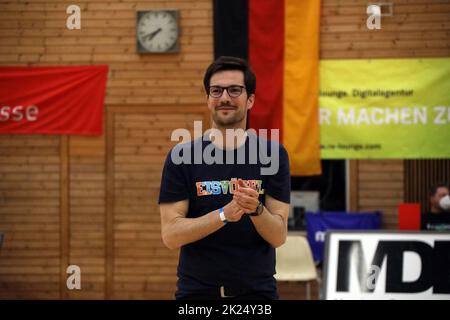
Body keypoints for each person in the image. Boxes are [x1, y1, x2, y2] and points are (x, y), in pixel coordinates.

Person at [158, 56, 291, 300]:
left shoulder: (274, 155)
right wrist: (223, 215)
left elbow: (278, 237)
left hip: (256, 295)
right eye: (216, 91)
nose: (225, 98)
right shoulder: (182, 156)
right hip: (197, 295)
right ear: (208, 99)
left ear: (250, 100)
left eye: (235, 90)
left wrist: (256, 210)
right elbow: (171, 235)